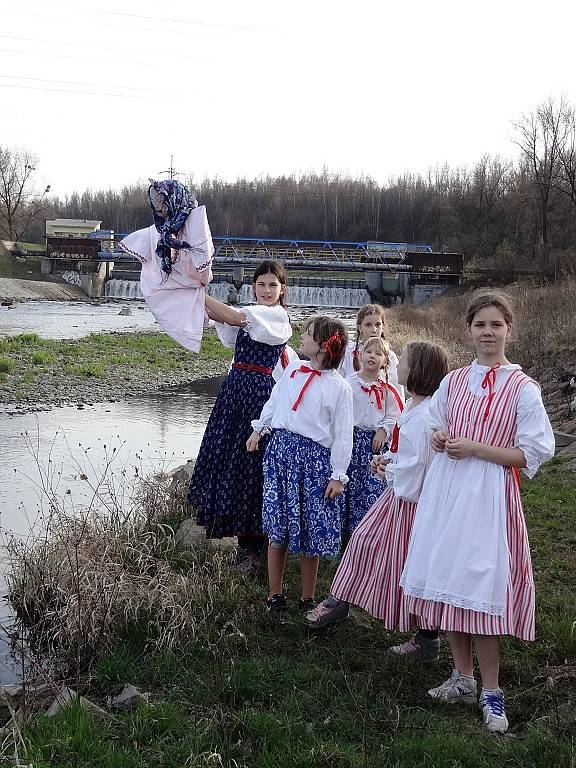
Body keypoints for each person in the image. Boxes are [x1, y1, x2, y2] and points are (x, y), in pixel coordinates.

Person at [400, 292, 555, 734]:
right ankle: (462, 676)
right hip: (448, 491)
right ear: (468, 330)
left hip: (488, 495)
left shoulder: (522, 388)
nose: (488, 333)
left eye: (496, 325)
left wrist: (475, 449)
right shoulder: (453, 381)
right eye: (480, 325)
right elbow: (438, 423)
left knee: (480, 584)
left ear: (509, 329)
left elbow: (533, 452)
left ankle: (492, 690)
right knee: (450, 579)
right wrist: (440, 439)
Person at [305, 341, 449, 666]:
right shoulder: (415, 406)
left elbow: (418, 467)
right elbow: (408, 456)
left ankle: (426, 637)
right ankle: (339, 600)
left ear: (417, 372)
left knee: (407, 563)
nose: (397, 366)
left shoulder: (427, 416)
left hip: (411, 503)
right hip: (398, 496)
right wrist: (387, 459)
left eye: (405, 362)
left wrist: (390, 470)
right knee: (364, 540)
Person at [187, 260, 292, 571]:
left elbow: (232, 316)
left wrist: (194, 292)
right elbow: (224, 322)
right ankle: (245, 547)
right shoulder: (252, 314)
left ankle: (256, 551)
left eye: (273, 285)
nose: (267, 290)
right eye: (262, 284)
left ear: (282, 290)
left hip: (259, 396)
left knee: (252, 466)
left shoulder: (278, 318)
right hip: (235, 390)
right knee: (232, 460)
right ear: (253, 287)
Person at [247, 316, 353, 621]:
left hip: (314, 464)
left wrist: (338, 475)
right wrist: (260, 429)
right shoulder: (293, 370)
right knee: (277, 526)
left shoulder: (339, 388)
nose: (301, 338)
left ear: (323, 346)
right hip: (281, 454)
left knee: (310, 530)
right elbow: (274, 402)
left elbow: (343, 434)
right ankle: (275, 595)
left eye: (307, 334)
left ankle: (307, 597)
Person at [119, 179, 214, 352]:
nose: (159, 209)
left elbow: (204, 265)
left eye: (161, 202)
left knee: (233, 318)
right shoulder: (159, 229)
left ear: (172, 199)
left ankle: (244, 321)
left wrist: (200, 281)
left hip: (192, 284)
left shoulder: (194, 222)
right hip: (178, 285)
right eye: (154, 203)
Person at [341, 335, 404, 540]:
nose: (372, 356)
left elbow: (394, 414)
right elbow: (340, 411)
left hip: (372, 447)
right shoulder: (348, 384)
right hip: (350, 442)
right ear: (360, 355)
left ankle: (366, 534)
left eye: (378, 354)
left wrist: (383, 429)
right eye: (369, 352)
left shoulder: (386, 389)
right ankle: (343, 536)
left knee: (368, 488)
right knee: (348, 487)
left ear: (385, 361)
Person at [339, 304, 401, 393]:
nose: (374, 330)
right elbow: (338, 383)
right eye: (368, 325)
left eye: (378, 325)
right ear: (360, 328)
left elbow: (397, 390)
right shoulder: (348, 352)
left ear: (382, 327)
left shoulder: (390, 356)